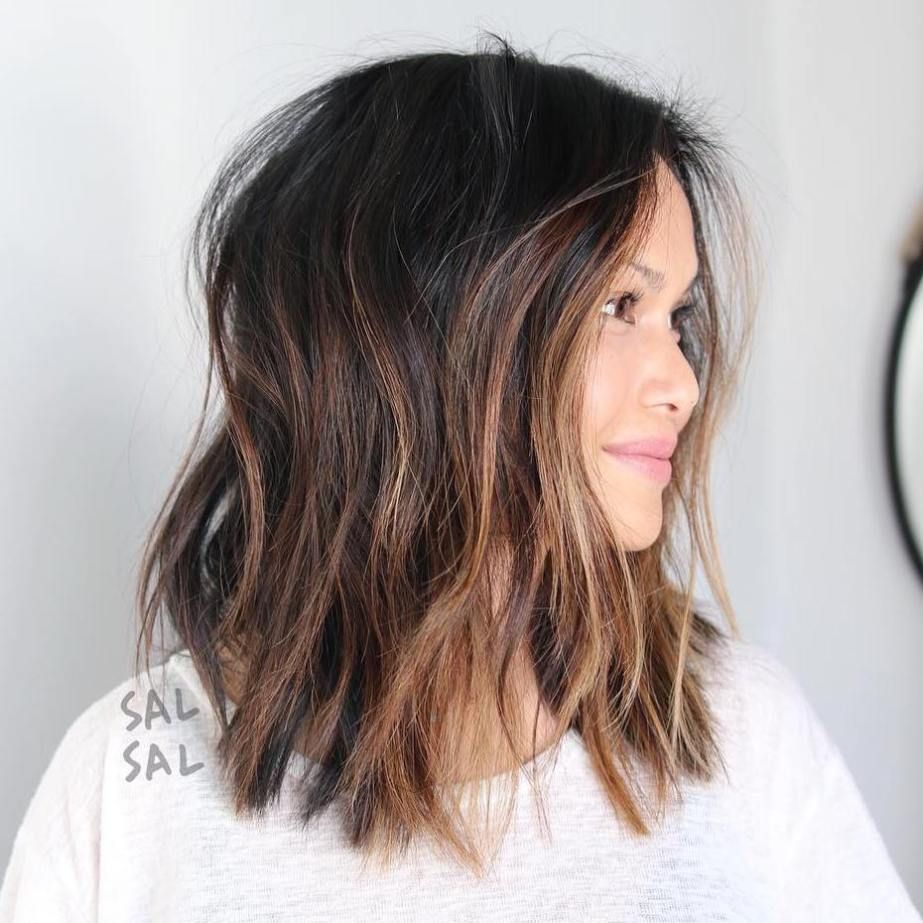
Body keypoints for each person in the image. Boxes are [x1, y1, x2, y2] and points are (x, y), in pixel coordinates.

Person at [1, 33, 920, 922]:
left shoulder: (737, 729)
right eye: (619, 305)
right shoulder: (131, 779)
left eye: (675, 316)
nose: (681, 381)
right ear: (420, 336)